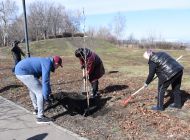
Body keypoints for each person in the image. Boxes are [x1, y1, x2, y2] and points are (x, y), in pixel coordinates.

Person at [15, 56, 63, 124]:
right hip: (23, 72)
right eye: (59, 65)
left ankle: (36, 109)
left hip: (20, 70)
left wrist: (49, 92)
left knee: (33, 89)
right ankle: (40, 117)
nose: (58, 67)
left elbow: (41, 79)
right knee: (40, 92)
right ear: (56, 63)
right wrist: (46, 96)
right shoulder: (47, 64)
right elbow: (45, 81)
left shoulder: (46, 61)